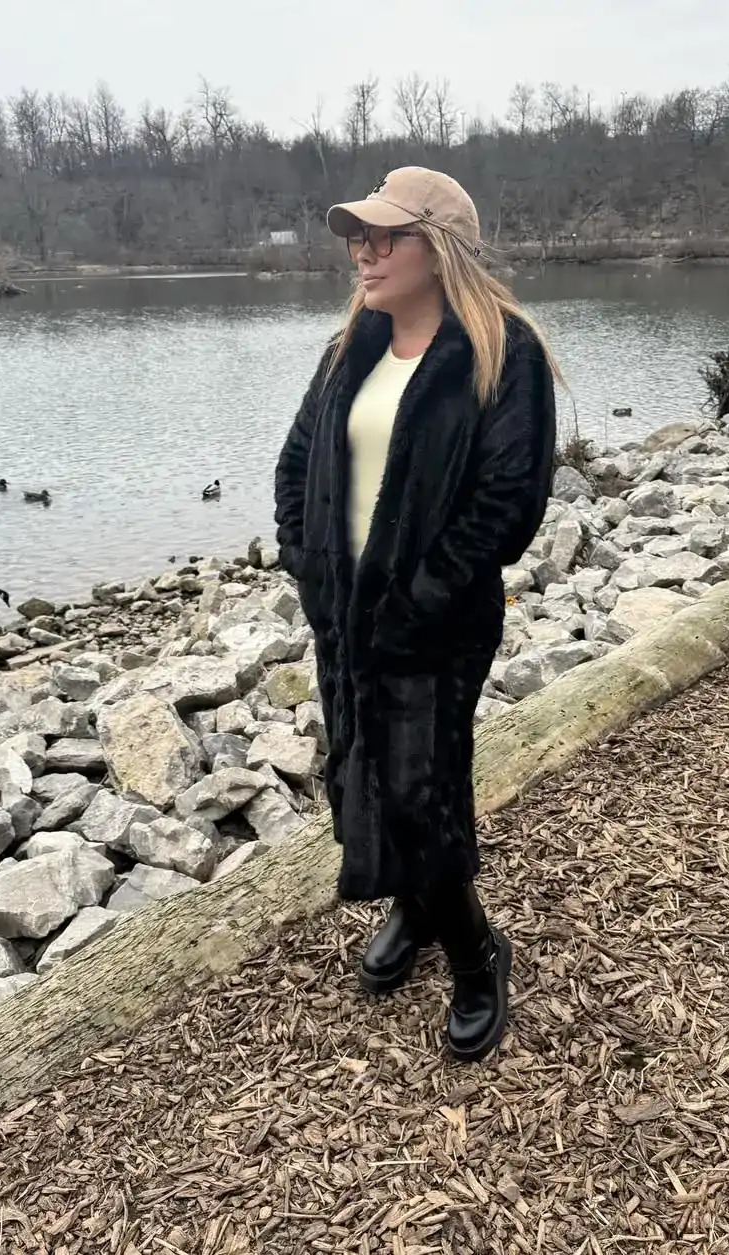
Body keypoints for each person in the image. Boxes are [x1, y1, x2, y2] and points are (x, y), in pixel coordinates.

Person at [274, 167, 560, 1063]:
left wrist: (421, 596)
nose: (362, 252)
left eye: (384, 236)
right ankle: (414, 907)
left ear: (437, 250)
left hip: (436, 623)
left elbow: (506, 503)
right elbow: (297, 463)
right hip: (344, 619)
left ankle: (476, 953)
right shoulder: (350, 348)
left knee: (420, 791)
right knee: (362, 771)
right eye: (358, 236)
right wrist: (307, 564)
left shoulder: (501, 352)